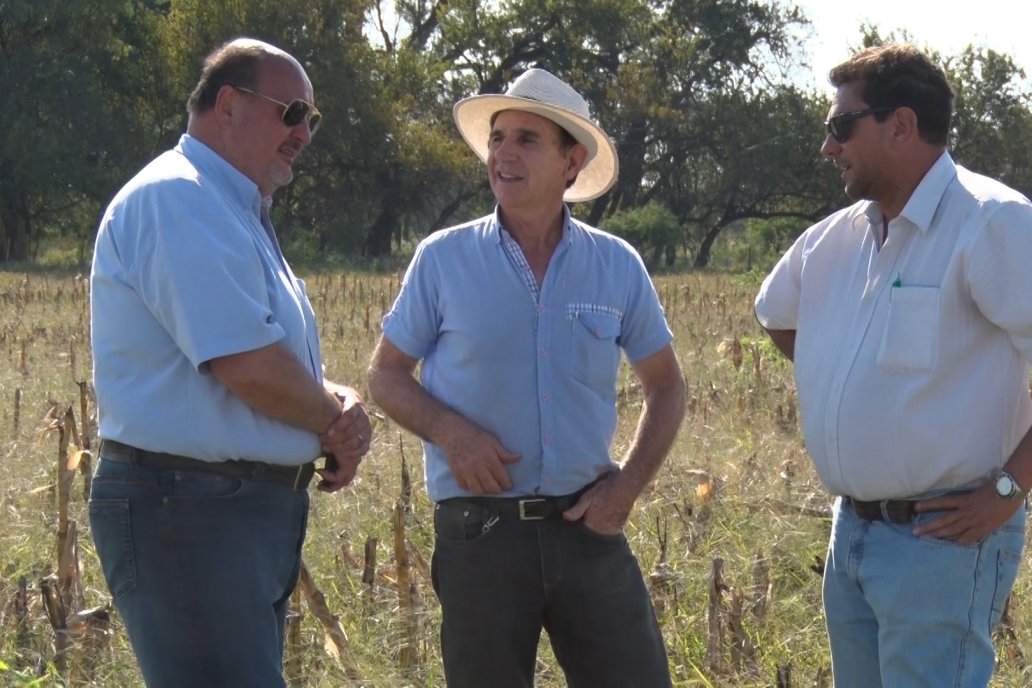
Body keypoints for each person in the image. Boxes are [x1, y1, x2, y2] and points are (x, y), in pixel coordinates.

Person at [367, 68, 686, 687]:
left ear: (572, 162)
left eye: (526, 140)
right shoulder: (442, 258)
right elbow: (385, 375)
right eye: (497, 138)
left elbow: (667, 387)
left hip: (587, 528)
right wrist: (451, 433)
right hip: (479, 534)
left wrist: (625, 489)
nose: (503, 154)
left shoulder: (617, 265)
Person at [88, 38, 372, 687]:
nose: (303, 134)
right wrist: (336, 420)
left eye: (312, 120)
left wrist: (339, 403)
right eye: (292, 112)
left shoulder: (230, 211)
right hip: (188, 510)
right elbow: (246, 366)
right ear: (228, 105)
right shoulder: (178, 199)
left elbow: (262, 354)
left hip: (222, 511)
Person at [755, 43, 1032, 687]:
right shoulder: (834, 238)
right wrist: (843, 376)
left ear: (901, 124)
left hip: (944, 541)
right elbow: (777, 315)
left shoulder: (992, 223)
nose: (829, 147)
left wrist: (1009, 489)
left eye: (840, 125)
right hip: (851, 532)